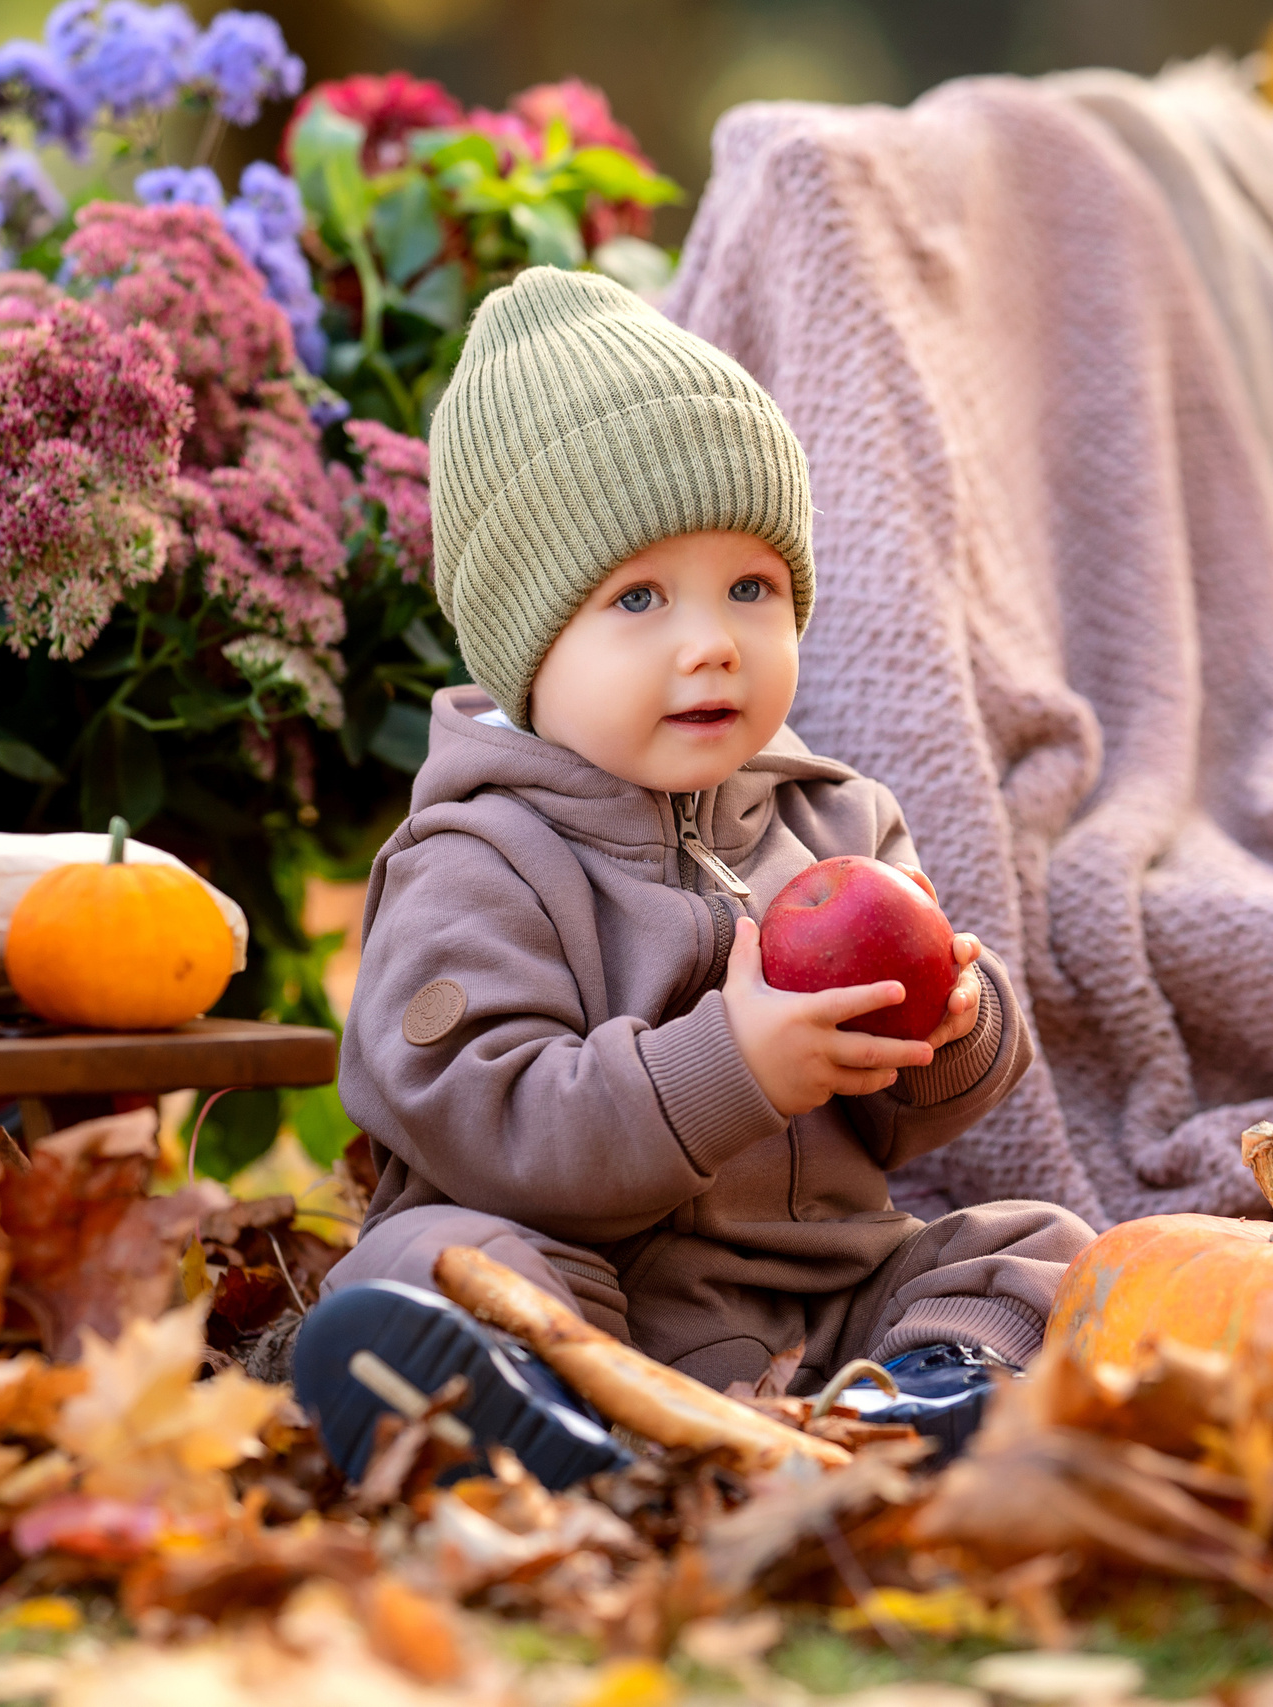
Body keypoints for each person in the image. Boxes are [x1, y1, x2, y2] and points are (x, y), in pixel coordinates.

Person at [292, 267, 1092, 1484]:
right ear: (527, 648)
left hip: (815, 1297)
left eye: (751, 588)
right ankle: (541, 1417)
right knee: (436, 1262)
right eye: (640, 597)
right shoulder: (478, 854)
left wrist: (951, 1025)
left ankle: (919, 1399)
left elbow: (896, 1114)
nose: (710, 638)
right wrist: (735, 1066)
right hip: (588, 1292)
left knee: (1040, 1246)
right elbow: (489, 1124)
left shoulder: (835, 818)